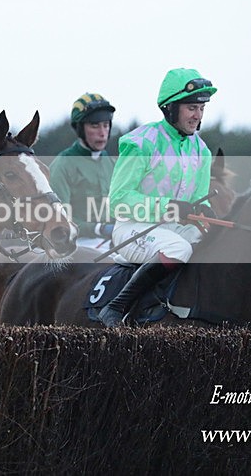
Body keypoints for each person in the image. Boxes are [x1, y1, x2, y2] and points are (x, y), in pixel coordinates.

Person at [97, 68, 217, 327]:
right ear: (171, 108)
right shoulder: (141, 142)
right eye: (191, 108)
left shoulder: (202, 151)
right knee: (178, 249)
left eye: (201, 108)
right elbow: (118, 201)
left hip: (175, 229)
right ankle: (115, 307)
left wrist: (205, 211)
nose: (198, 115)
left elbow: (199, 199)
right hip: (133, 229)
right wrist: (170, 207)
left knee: (217, 245)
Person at [49, 93, 116, 250]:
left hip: (110, 239)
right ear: (80, 129)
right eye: (95, 126)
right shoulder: (63, 164)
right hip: (77, 242)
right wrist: (97, 228)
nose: (102, 132)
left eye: (106, 125)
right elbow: (60, 217)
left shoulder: (110, 162)